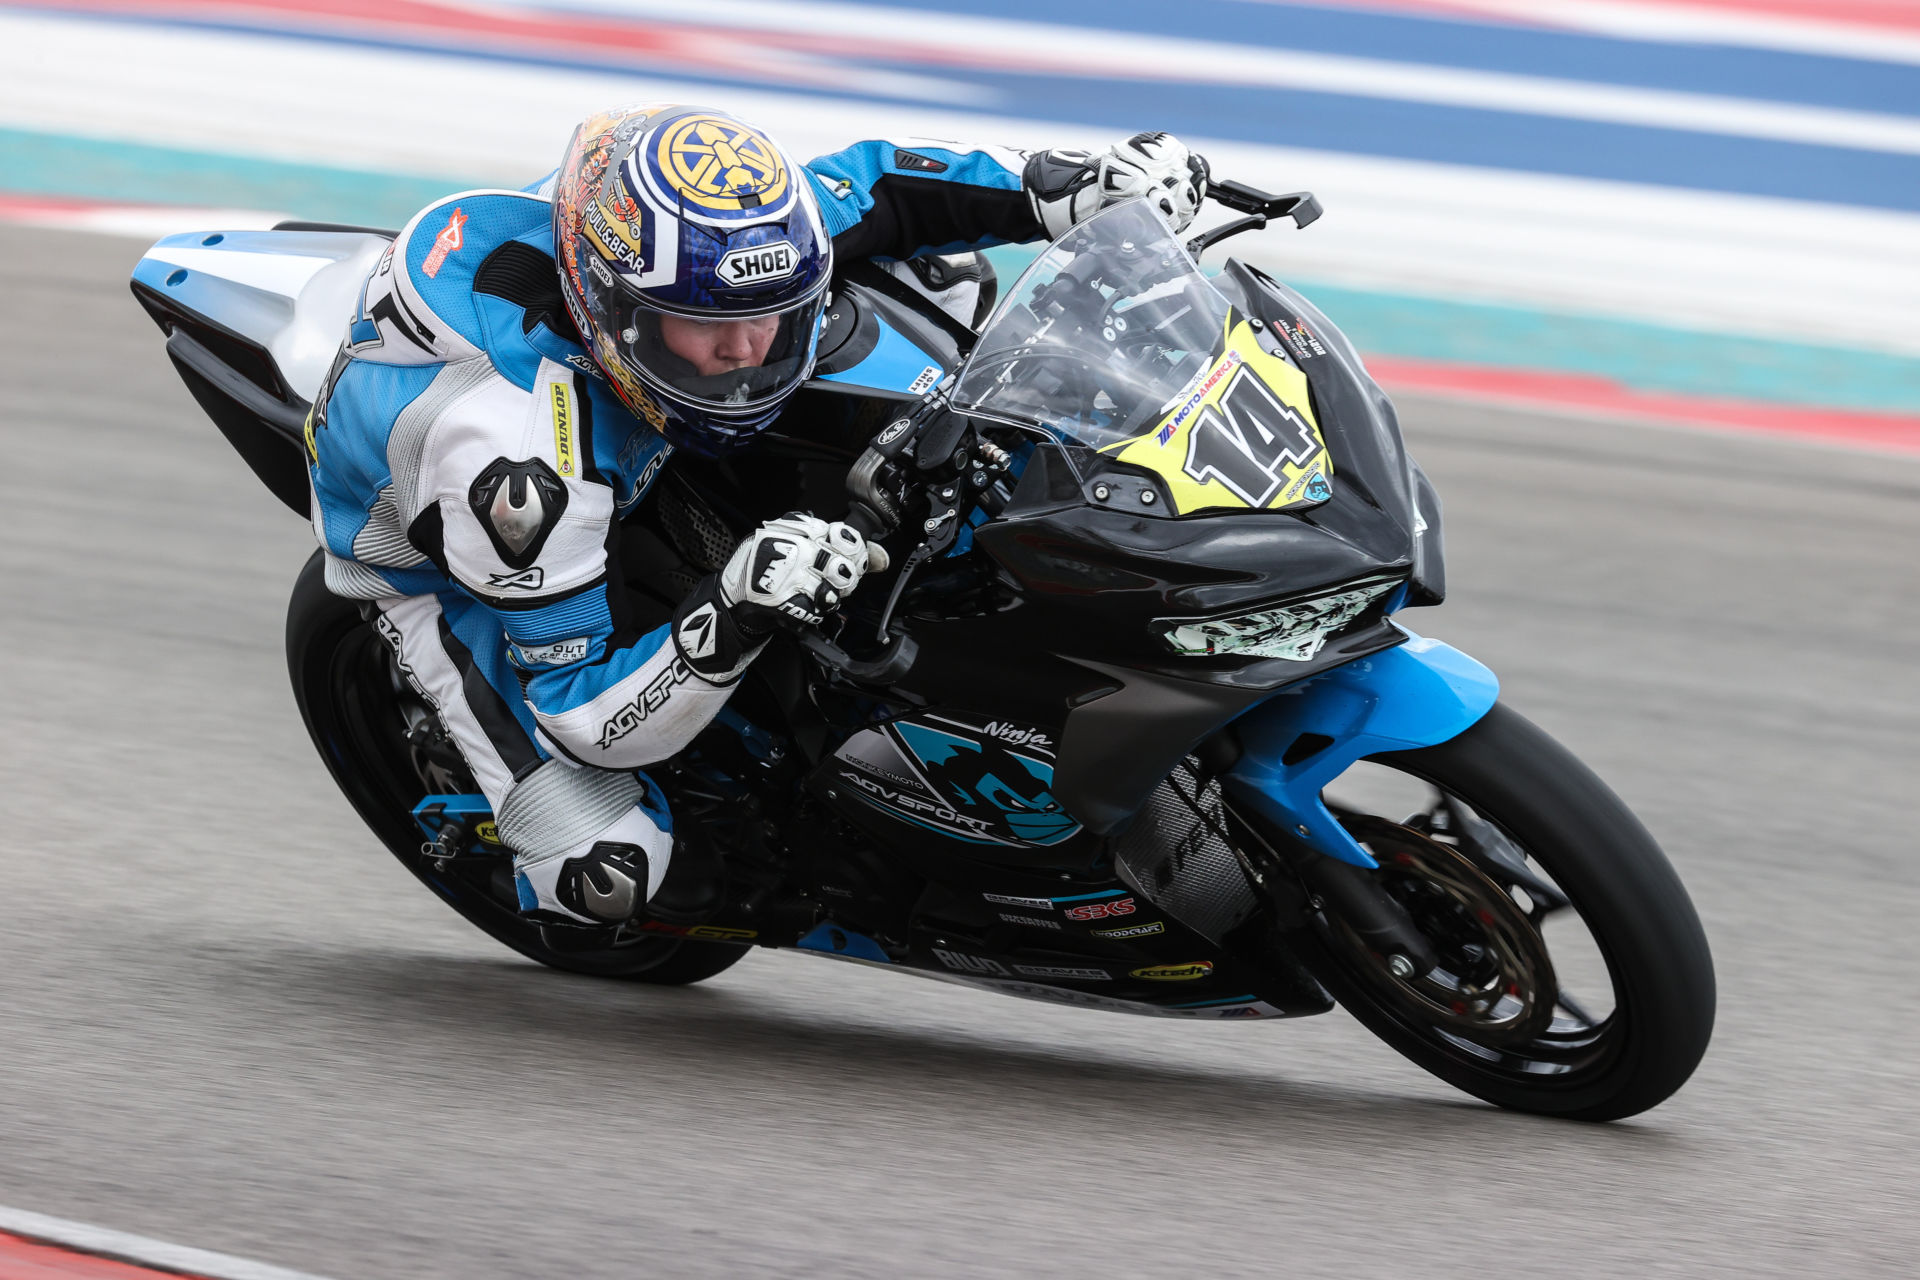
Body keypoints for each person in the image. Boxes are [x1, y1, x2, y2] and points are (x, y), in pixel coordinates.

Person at [304, 105, 1208, 926]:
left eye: (771, 314)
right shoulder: (517, 464)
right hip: (436, 563)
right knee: (611, 878)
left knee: (943, 271)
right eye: (710, 329)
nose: (748, 349)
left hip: (625, 415)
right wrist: (734, 610)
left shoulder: (705, 248)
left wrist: (1072, 185)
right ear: (612, 312)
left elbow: (882, 184)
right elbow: (579, 715)